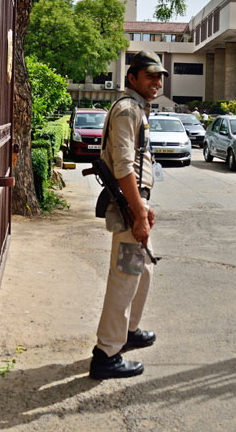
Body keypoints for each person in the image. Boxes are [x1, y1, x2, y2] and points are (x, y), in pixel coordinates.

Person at [89, 50, 167, 379]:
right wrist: (137, 212)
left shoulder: (138, 109)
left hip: (136, 201)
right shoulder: (126, 110)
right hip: (127, 202)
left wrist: (144, 207)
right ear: (132, 77)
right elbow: (123, 167)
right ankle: (107, 353)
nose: (157, 81)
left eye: (160, 76)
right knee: (125, 275)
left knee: (142, 269)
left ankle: (128, 330)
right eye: (150, 75)